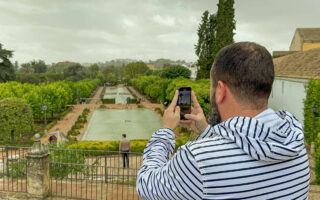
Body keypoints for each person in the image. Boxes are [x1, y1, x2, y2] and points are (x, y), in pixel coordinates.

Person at [136, 42, 310, 199]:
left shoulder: (198, 160)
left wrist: (165, 131)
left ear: (220, 90)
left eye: (212, 86)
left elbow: (146, 185)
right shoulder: (295, 143)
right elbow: (245, 146)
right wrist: (206, 132)